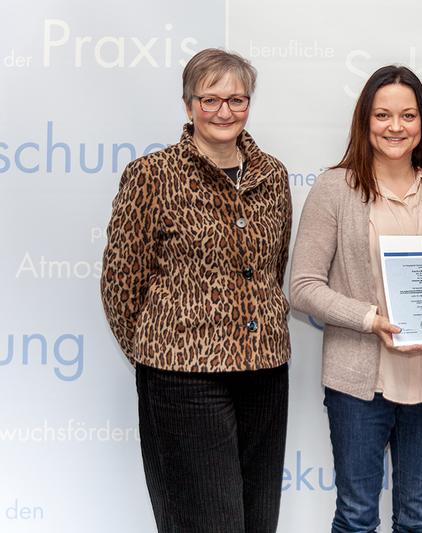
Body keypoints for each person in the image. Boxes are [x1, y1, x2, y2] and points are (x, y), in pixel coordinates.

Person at [101, 48, 291, 533]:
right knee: (205, 523)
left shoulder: (273, 176)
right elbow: (121, 281)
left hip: (264, 371)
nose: (224, 111)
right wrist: (154, 350)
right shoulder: (154, 175)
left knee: (256, 520)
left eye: (236, 99)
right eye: (210, 99)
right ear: (188, 106)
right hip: (182, 377)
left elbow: (272, 267)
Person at [290, 65, 422, 533]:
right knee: (357, 517)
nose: (395, 127)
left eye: (407, 115)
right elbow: (302, 285)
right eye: (382, 115)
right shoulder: (335, 188)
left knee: (418, 518)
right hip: (359, 385)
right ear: (365, 121)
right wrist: (370, 318)